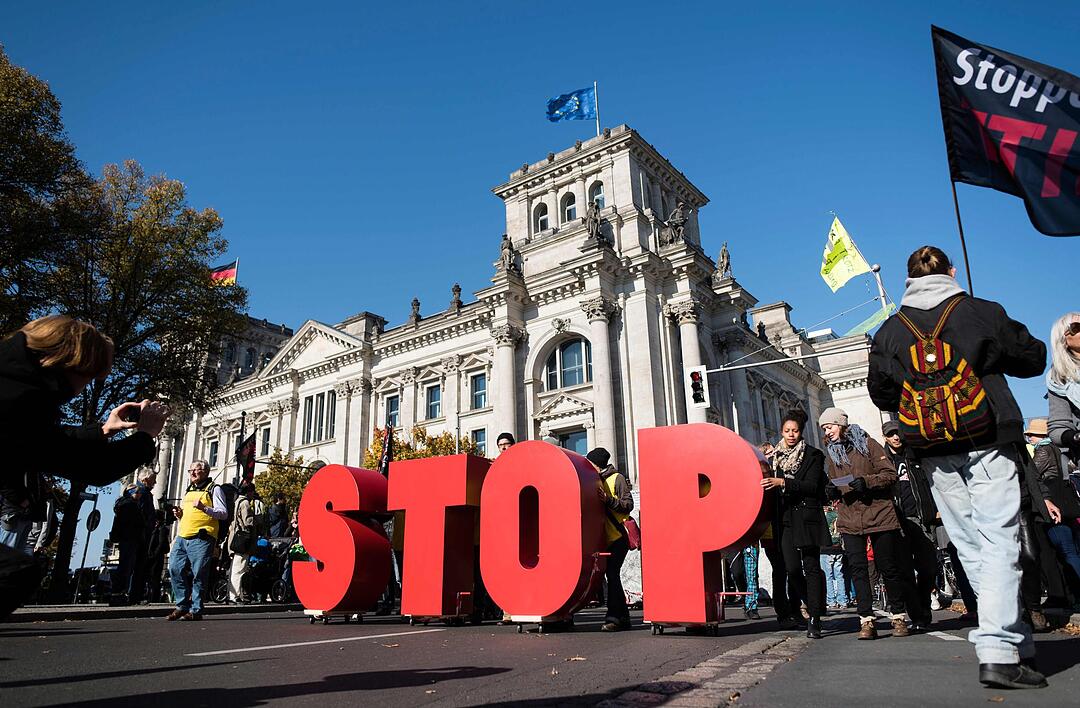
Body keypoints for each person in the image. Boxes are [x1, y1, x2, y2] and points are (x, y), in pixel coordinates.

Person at [868, 246, 1047, 690]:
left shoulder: (889, 332)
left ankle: (1014, 641)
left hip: (929, 448)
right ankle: (999, 651)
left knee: (969, 544)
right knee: (1000, 537)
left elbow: (881, 393)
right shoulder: (979, 311)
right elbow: (1033, 358)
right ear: (951, 271)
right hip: (987, 437)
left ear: (907, 279)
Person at [0, 315, 169, 620]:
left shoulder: (15, 378)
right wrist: (145, 437)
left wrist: (104, 429)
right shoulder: (21, 398)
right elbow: (92, 467)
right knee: (15, 574)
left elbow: (49, 441)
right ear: (73, 364)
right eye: (91, 376)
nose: (87, 386)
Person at [819, 407, 919, 641]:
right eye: (824, 428)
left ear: (841, 425)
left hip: (880, 514)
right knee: (858, 570)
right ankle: (866, 620)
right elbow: (836, 480)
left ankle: (898, 616)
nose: (827, 431)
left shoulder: (868, 444)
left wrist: (867, 482)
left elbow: (889, 474)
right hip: (850, 517)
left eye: (830, 426)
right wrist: (833, 489)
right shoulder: (832, 453)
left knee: (888, 567)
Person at [762, 409, 829, 639]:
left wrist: (783, 482)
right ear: (781, 431)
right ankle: (811, 606)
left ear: (801, 432)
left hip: (807, 517)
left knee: (811, 566)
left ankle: (815, 619)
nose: (791, 435)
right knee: (791, 568)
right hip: (785, 519)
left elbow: (813, 487)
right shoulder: (775, 457)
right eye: (787, 431)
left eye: (795, 431)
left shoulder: (814, 455)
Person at [882, 419, 937, 630]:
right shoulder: (883, 460)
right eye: (891, 434)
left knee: (928, 567)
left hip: (920, 517)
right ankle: (918, 616)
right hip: (896, 521)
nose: (896, 437)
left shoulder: (915, 455)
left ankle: (924, 605)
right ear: (885, 438)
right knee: (904, 571)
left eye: (898, 433)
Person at [167, 460, 228, 620]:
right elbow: (188, 514)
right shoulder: (189, 489)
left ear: (206, 472)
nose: (192, 473)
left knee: (199, 574)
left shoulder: (214, 489)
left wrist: (204, 508)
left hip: (202, 537)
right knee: (174, 568)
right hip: (182, 536)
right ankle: (181, 605)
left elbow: (223, 513)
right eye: (190, 470)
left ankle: (195, 610)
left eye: (196, 470)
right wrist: (180, 515)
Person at [1027, 418, 1080, 597]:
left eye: (1032, 435)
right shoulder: (1057, 449)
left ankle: (1074, 590)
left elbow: (1032, 473)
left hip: (1053, 498)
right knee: (1070, 548)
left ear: (1041, 435)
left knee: (1063, 548)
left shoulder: (1043, 451)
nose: (1030, 438)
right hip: (1066, 498)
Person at [587, 447, 634, 632]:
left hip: (618, 537)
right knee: (612, 576)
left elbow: (628, 505)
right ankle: (623, 617)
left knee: (613, 575)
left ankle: (614, 617)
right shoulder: (594, 480)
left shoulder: (617, 478)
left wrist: (608, 500)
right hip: (605, 538)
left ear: (596, 464)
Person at [1048, 312, 1080, 470]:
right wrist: (1075, 437)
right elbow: (1058, 426)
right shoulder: (1059, 378)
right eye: (1077, 327)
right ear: (1063, 340)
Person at [109, 483, 146, 604]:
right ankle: (119, 594)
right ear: (131, 493)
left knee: (125, 565)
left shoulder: (124, 504)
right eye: (138, 492)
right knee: (126, 566)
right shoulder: (129, 505)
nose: (140, 495)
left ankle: (118, 594)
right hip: (130, 539)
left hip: (127, 539)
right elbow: (132, 523)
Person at [229, 482, 265, 603]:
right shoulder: (245, 503)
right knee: (240, 568)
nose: (252, 495)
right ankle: (235, 595)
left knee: (235, 567)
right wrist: (258, 519)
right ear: (248, 492)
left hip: (235, 537)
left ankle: (232, 594)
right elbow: (248, 521)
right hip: (243, 540)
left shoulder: (236, 501)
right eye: (252, 492)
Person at [821, 501, 849, 609]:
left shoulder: (824, 515)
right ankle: (842, 600)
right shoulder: (837, 514)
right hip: (838, 547)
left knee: (828, 576)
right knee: (839, 574)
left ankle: (831, 600)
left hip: (825, 548)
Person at [145, 508, 171, 603]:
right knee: (152, 578)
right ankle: (151, 597)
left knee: (155, 578)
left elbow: (160, 543)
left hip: (156, 557)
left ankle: (153, 598)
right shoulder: (157, 528)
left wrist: (154, 554)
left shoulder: (161, 529)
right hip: (154, 556)